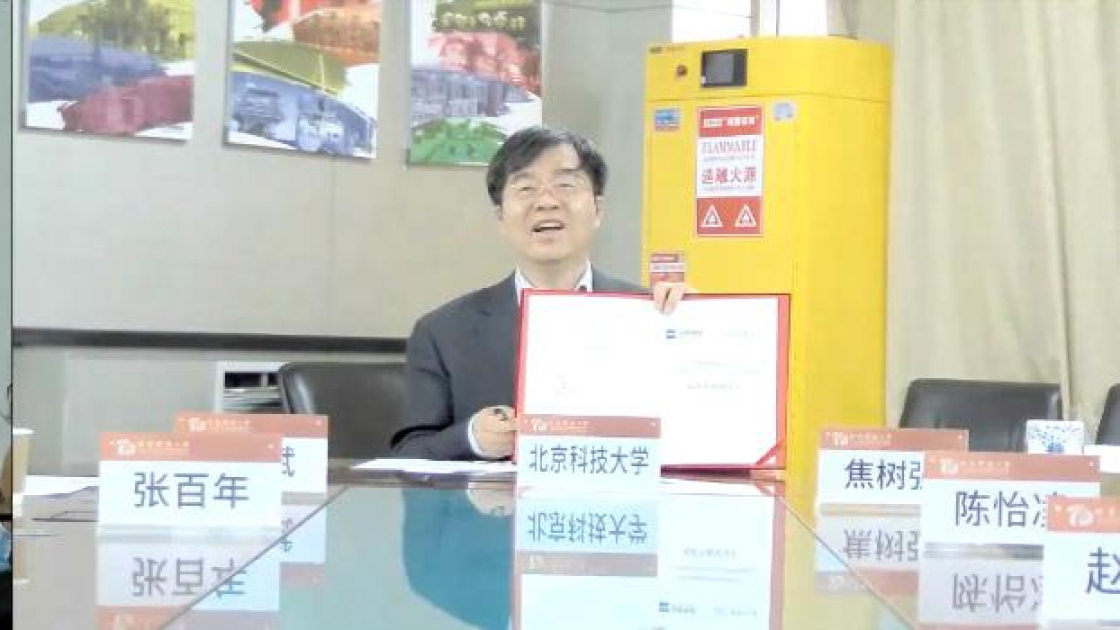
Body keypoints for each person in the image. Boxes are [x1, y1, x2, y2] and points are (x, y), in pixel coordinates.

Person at [390, 126, 689, 460]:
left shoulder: (651, 315)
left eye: (565, 185)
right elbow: (408, 455)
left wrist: (699, 325)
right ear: (500, 217)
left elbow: (703, 432)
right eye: (526, 188)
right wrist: (472, 438)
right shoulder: (442, 333)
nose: (546, 202)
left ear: (598, 209)